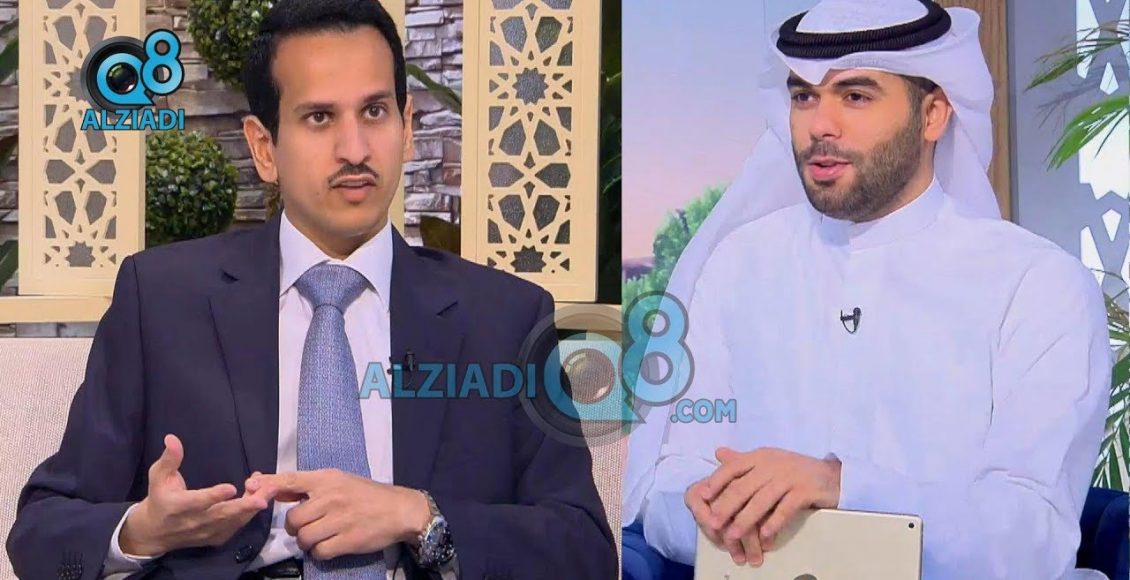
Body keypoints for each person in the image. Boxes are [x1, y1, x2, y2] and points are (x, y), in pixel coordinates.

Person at [6, 1, 616, 578]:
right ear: (264, 147)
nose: (355, 149)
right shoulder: (161, 300)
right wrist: (141, 532)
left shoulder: (504, 318)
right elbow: (42, 532)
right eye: (320, 118)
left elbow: (584, 551)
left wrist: (420, 516)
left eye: (374, 112)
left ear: (407, 127)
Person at [621, 1, 1111, 579]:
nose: (819, 125)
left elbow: (1031, 535)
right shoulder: (736, 266)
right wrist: (713, 511)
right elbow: (669, 485)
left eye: (855, 96)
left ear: (933, 115)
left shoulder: (1036, 285)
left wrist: (840, 487)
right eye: (804, 96)